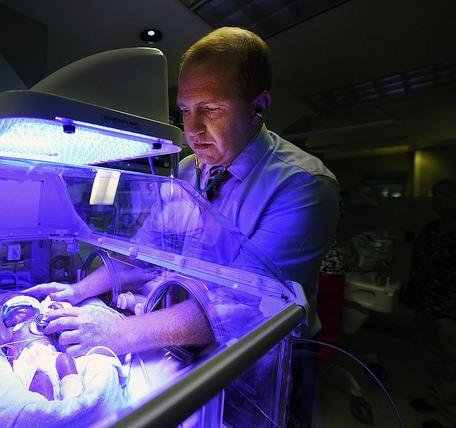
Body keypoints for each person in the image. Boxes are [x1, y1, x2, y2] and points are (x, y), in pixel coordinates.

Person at [27, 27, 338, 424]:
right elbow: (143, 255)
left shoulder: (302, 187)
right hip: (192, 348)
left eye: (211, 109)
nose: (192, 129)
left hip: (269, 368)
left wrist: (119, 333)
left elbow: (244, 307)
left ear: (258, 105)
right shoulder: (189, 174)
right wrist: (76, 291)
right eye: (185, 110)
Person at [404, 178, 456, 428]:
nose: (437, 199)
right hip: (426, 304)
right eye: (435, 194)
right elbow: (418, 265)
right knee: (430, 356)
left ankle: (448, 417)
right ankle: (436, 401)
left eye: (443, 194)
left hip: (450, 310)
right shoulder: (431, 229)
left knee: (451, 362)